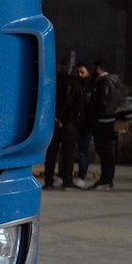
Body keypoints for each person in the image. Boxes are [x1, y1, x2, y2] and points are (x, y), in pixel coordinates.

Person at [44, 61, 87, 189]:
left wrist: (55, 118)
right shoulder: (74, 84)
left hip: (54, 122)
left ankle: (48, 180)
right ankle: (67, 180)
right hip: (69, 123)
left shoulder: (53, 83)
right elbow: (76, 104)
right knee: (68, 153)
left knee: (51, 152)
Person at [87, 60, 122, 190]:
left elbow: (100, 101)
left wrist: (94, 116)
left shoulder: (103, 82)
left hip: (101, 121)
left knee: (103, 151)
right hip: (110, 119)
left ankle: (105, 180)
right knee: (108, 152)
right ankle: (108, 179)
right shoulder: (116, 82)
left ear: (98, 68)